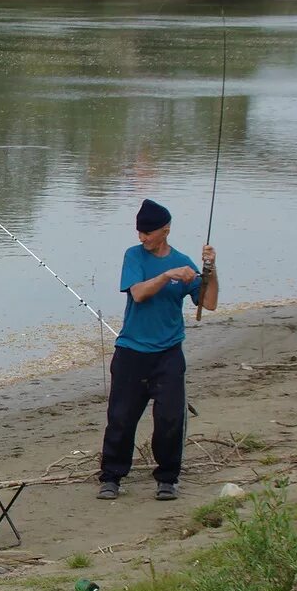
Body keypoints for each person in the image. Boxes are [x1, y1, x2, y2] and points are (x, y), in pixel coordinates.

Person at [97, 199, 218, 501]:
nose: (142, 238)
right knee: (121, 418)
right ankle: (111, 476)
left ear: (165, 230)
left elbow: (210, 302)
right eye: (139, 232)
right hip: (131, 352)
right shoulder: (134, 256)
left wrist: (209, 271)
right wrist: (167, 276)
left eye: (148, 233)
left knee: (169, 419)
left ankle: (167, 478)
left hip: (168, 354)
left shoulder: (185, 262)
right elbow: (138, 293)